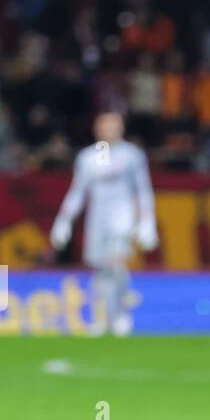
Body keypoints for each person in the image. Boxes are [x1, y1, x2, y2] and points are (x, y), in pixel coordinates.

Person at [49, 113, 157, 336]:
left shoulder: (131, 155)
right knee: (100, 270)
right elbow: (78, 191)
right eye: (104, 126)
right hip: (97, 219)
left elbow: (143, 189)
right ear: (96, 129)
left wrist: (147, 222)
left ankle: (120, 315)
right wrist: (64, 221)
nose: (109, 130)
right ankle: (103, 317)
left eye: (113, 125)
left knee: (116, 266)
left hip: (122, 217)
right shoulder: (88, 157)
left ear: (122, 128)